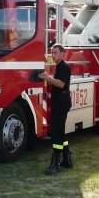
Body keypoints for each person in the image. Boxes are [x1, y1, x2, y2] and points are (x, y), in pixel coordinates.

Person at [39, 44, 73, 175]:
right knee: (60, 132)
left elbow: (61, 84)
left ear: (63, 54)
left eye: (56, 53)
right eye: (52, 53)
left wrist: (47, 78)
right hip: (60, 103)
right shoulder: (59, 67)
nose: (53, 55)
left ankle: (55, 163)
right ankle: (67, 159)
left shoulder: (63, 67)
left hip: (61, 104)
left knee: (56, 133)